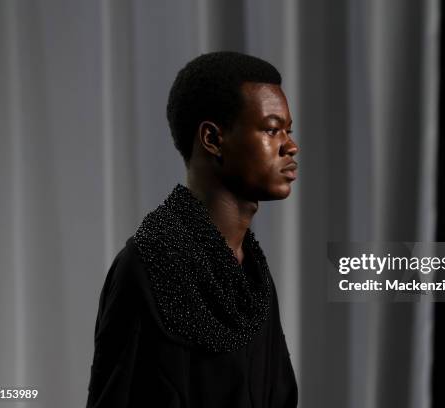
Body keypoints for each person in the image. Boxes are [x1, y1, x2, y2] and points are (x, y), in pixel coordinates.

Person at [86, 51, 299, 408]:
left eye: (288, 131)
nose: (290, 146)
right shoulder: (147, 268)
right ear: (213, 138)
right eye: (272, 129)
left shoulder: (253, 275)